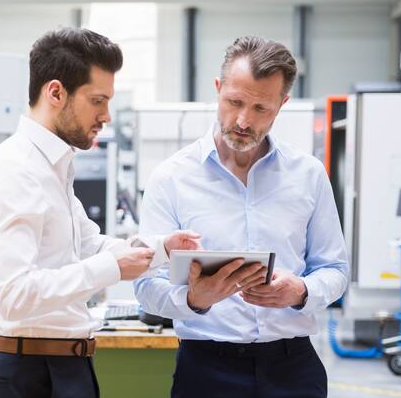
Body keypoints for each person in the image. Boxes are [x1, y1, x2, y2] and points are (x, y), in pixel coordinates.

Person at [0, 27, 201, 398]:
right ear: (56, 92)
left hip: (68, 364)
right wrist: (112, 269)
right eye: (97, 100)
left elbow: (90, 245)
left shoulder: (53, 167)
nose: (106, 115)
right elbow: (13, 293)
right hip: (30, 373)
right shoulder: (12, 171)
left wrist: (161, 249)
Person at [134, 36, 349, 398]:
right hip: (205, 370)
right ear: (218, 89)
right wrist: (194, 299)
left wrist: (301, 291)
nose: (243, 121)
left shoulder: (308, 175)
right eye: (234, 102)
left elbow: (336, 270)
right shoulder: (171, 178)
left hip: (293, 368)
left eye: (261, 108)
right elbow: (146, 286)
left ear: (282, 104)